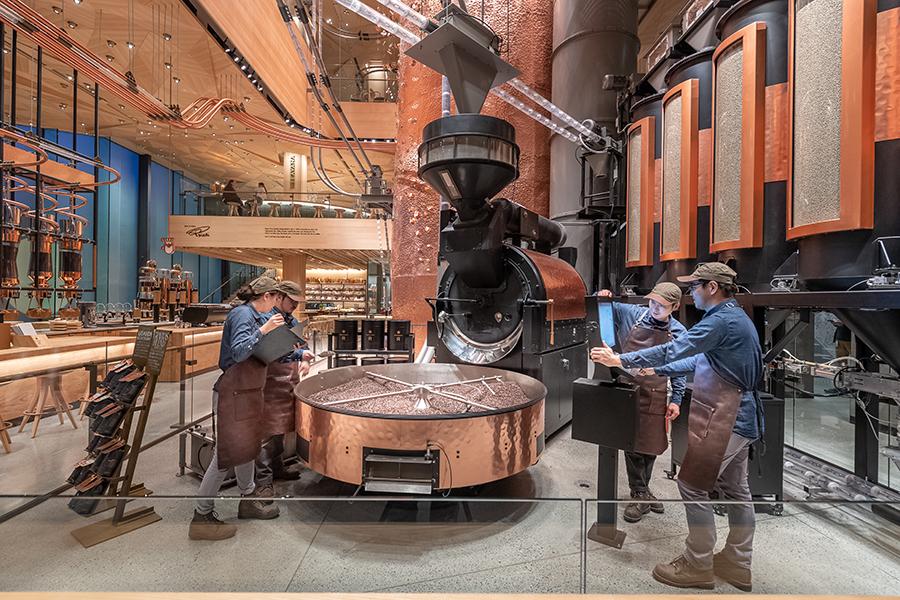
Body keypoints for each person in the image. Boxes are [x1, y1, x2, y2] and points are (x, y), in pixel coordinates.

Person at [591, 262, 763, 592]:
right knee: (738, 491)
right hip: (743, 417)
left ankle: (698, 564)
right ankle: (739, 563)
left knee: (693, 486)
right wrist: (658, 368)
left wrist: (622, 360)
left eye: (695, 286)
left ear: (712, 287)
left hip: (726, 418)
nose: (691, 293)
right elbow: (694, 361)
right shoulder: (734, 316)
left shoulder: (719, 321)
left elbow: (676, 348)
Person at [189, 276, 284, 541]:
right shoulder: (243, 314)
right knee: (227, 454)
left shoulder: (252, 315)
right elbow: (241, 351)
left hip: (249, 391)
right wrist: (264, 330)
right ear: (266, 296)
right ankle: (201, 514)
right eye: (276, 299)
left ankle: (248, 497)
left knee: (248, 448)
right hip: (236, 392)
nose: (276, 306)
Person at [596, 283, 687, 523]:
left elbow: (679, 368)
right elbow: (606, 308)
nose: (655, 307)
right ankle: (639, 492)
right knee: (633, 444)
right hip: (629, 389)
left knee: (652, 445)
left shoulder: (679, 333)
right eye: (653, 302)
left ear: (675, 307)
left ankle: (644, 492)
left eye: (662, 305)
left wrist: (676, 399)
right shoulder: (634, 314)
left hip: (656, 392)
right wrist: (603, 296)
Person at [255, 280, 314, 500]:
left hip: (288, 380)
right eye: (292, 301)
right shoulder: (265, 319)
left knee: (280, 429)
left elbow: (300, 342)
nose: (295, 306)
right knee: (266, 431)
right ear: (278, 297)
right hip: (269, 381)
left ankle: (277, 467)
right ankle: (263, 481)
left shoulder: (291, 320)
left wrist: (305, 358)